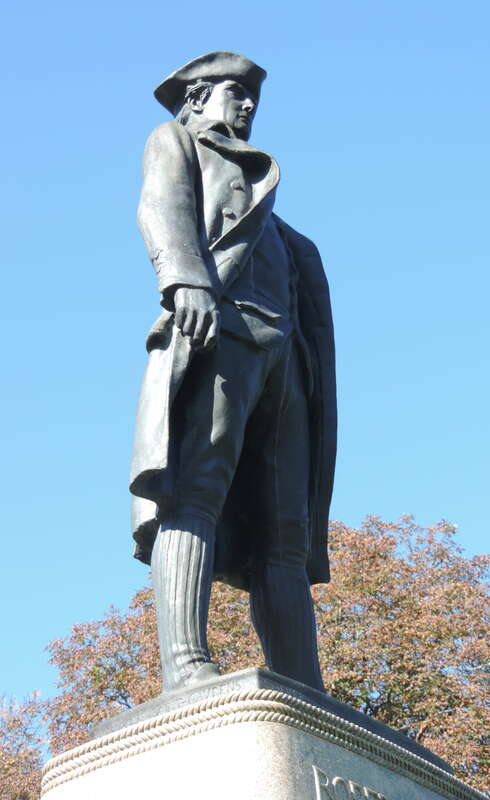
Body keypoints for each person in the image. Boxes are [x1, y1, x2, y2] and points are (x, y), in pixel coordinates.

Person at [129, 51, 336, 694]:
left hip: (287, 361)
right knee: (194, 492)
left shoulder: (288, 234)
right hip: (222, 330)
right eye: (229, 91)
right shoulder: (175, 142)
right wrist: (184, 280)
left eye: (251, 97)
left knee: (287, 531)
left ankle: (304, 684)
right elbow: (161, 208)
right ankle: (185, 663)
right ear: (193, 101)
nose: (245, 104)